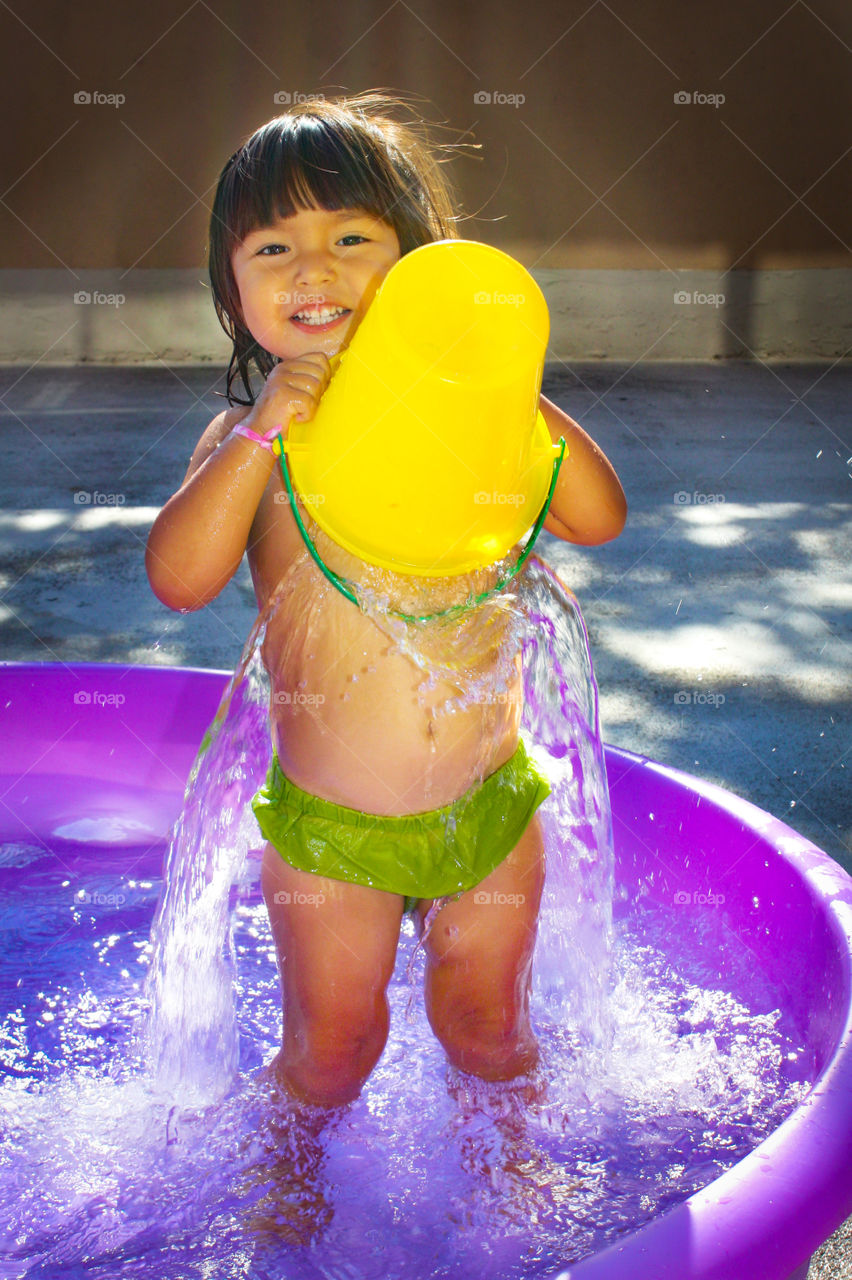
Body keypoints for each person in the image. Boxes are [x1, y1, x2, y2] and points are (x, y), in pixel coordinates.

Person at [146, 93, 626, 1111]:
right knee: (331, 1052)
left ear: (418, 265)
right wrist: (260, 434)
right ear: (234, 297)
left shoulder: (480, 434)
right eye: (273, 249)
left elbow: (596, 515)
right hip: (333, 831)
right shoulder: (254, 439)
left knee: (491, 1032)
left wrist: (500, 386)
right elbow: (180, 580)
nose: (314, 270)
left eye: (351, 237)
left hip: (485, 809)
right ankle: (290, 1208)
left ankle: (524, 1212)